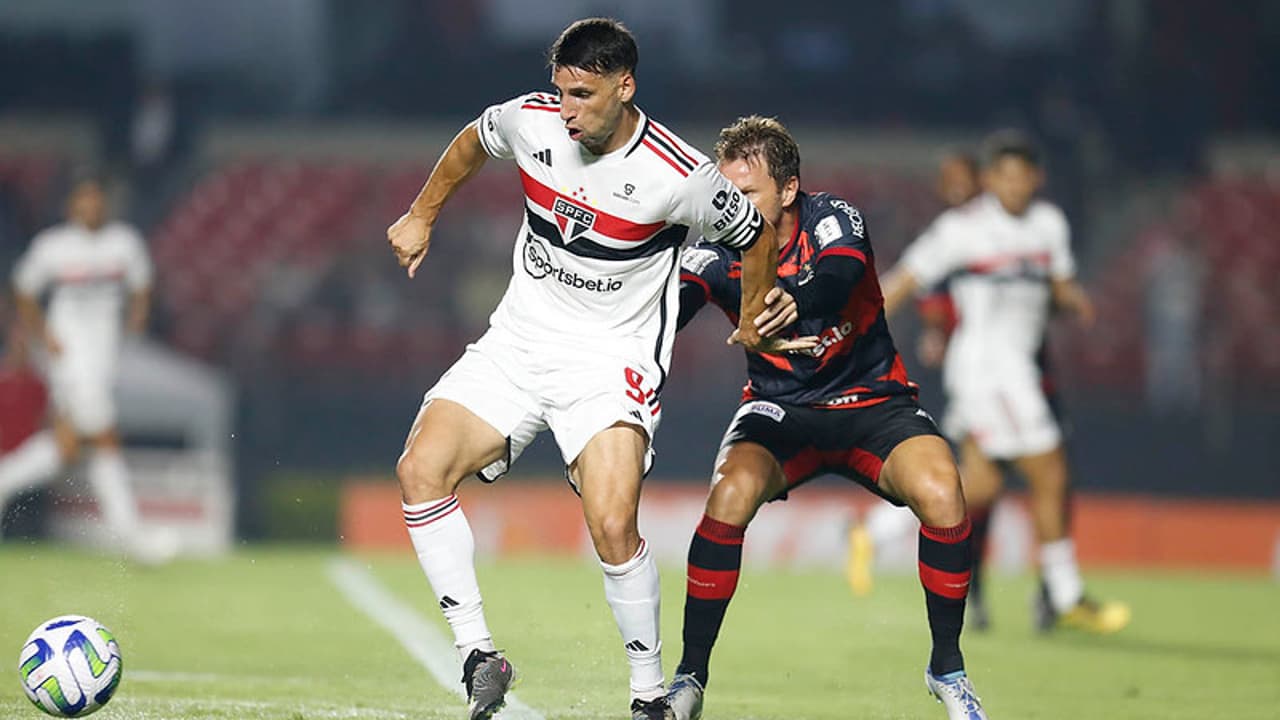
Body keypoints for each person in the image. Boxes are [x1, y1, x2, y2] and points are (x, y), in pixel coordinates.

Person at [384, 19, 806, 720]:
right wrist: (421, 215)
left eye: (582, 94)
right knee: (419, 469)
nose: (567, 109)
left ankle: (647, 698)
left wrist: (754, 307)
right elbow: (471, 142)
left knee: (612, 524)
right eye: (561, 92)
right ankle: (478, 657)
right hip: (518, 341)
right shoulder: (532, 121)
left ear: (624, 85)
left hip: (609, 361)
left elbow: (754, 233)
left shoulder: (680, 177)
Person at [666, 116, 987, 720]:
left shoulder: (833, 217)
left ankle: (947, 668)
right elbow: (673, 312)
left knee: (945, 493)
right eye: (726, 192)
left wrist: (795, 296)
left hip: (873, 403)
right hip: (780, 410)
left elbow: (840, 273)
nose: (732, 206)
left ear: (788, 189)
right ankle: (689, 678)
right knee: (728, 496)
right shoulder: (713, 247)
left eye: (748, 192)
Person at [881, 130, 1130, 635]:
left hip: (1022, 368)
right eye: (1005, 176)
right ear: (990, 179)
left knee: (981, 488)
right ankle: (1065, 593)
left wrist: (1074, 301)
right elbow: (904, 280)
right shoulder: (962, 229)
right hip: (988, 370)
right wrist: (847, 326)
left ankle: (881, 529)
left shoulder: (1048, 225)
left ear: (1036, 179)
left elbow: (1057, 289)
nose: (1014, 186)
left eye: (1023, 177)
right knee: (1050, 468)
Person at [3, 174, 158, 560]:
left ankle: (3, 480)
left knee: (69, 445)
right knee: (103, 436)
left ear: (104, 204)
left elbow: (142, 284)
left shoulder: (124, 243)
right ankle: (131, 536)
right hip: (68, 351)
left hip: (104, 352)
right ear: (71, 206)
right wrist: (43, 336)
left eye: (95, 200)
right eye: (82, 201)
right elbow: (22, 288)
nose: (90, 207)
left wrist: (137, 315)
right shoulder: (53, 247)